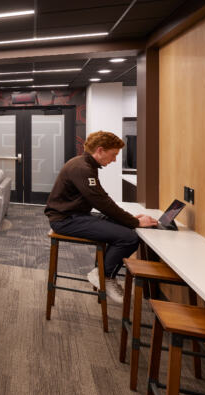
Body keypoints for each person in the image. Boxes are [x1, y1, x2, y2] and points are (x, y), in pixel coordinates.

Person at [45, 130, 158, 305]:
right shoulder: (82, 168)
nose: (114, 160)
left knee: (125, 227)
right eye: (113, 155)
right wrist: (135, 221)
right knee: (129, 237)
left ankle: (102, 272)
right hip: (65, 220)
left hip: (75, 215)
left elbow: (101, 199)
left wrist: (129, 219)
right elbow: (102, 202)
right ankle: (104, 276)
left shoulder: (85, 164)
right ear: (100, 150)